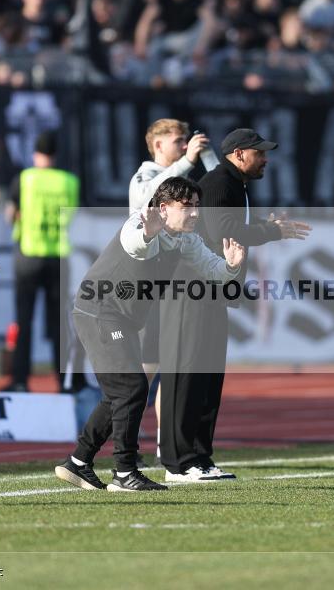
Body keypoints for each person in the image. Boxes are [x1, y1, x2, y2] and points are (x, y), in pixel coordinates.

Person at [54, 176, 246, 492]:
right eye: (187, 206)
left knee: (120, 392)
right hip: (99, 311)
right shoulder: (140, 224)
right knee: (131, 387)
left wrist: (231, 267)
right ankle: (125, 472)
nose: (195, 213)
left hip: (123, 319)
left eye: (197, 205)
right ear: (163, 208)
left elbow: (213, 271)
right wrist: (148, 233)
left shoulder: (185, 238)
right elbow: (137, 245)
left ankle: (78, 462)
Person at [158, 128, 310, 483]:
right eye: (260, 153)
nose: (266, 159)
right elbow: (221, 232)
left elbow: (228, 226)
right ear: (239, 154)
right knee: (187, 374)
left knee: (208, 378)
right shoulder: (219, 183)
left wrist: (264, 225)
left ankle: (199, 457)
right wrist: (273, 232)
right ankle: (178, 464)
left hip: (210, 290)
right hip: (190, 290)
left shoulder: (232, 184)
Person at [129, 118, 210, 464]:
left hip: (175, 286)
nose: (184, 146)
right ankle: (124, 443)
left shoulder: (184, 176)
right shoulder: (144, 177)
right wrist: (188, 162)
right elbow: (149, 198)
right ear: (158, 145)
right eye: (177, 141)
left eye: (185, 141)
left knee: (170, 369)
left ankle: (167, 443)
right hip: (148, 287)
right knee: (144, 372)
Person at [2, 131, 80, 394]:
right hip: (59, 256)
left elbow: (12, 214)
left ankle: (21, 380)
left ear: (35, 154)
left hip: (29, 254)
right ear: (55, 154)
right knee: (61, 324)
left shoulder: (25, 179)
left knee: (24, 320)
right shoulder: (69, 182)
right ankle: (65, 382)